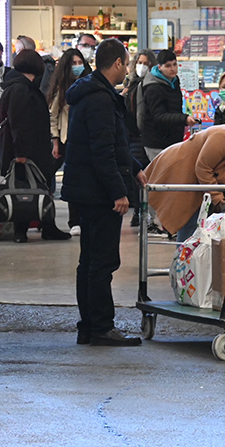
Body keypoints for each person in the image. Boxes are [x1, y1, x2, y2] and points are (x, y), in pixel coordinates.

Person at [61, 38, 146, 347]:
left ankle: (89, 326)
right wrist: (118, 193)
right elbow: (102, 152)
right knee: (102, 262)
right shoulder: (99, 98)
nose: (130, 67)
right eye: (128, 62)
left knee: (90, 261)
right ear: (119, 64)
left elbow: (113, 143)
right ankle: (100, 326)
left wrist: (135, 166)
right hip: (97, 193)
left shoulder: (93, 93)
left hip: (87, 190)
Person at [144, 111, 225, 242]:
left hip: (198, 182)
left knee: (197, 226)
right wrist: (216, 195)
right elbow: (203, 167)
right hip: (180, 172)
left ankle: (191, 260)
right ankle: (185, 261)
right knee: (190, 225)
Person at [0, 50, 72, 243]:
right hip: (27, 151)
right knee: (27, 188)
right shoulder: (21, 89)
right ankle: (26, 229)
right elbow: (18, 122)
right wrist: (21, 154)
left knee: (28, 188)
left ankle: (39, 226)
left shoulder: (18, 87)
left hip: (27, 148)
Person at [47, 48, 92, 236]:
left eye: (79, 62)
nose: (77, 66)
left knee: (85, 180)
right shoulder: (61, 88)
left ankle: (85, 219)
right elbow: (53, 115)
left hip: (86, 138)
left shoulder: (90, 84)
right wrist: (55, 141)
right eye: (73, 63)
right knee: (72, 180)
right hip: (67, 139)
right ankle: (74, 221)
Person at [139, 49, 199, 162]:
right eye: (168, 66)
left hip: (172, 139)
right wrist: (183, 119)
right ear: (160, 67)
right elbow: (158, 116)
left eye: (175, 64)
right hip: (156, 142)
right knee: (161, 175)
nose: (173, 69)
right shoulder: (153, 87)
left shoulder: (174, 81)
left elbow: (174, 109)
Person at [123, 49, 157, 227]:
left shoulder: (150, 86)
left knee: (143, 174)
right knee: (135, 175)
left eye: (146, 63)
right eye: (140, 62)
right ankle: (138, 211)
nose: (142, 67)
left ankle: (143, 212)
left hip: (142, 135)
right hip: (131, 136)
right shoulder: (131, 84)